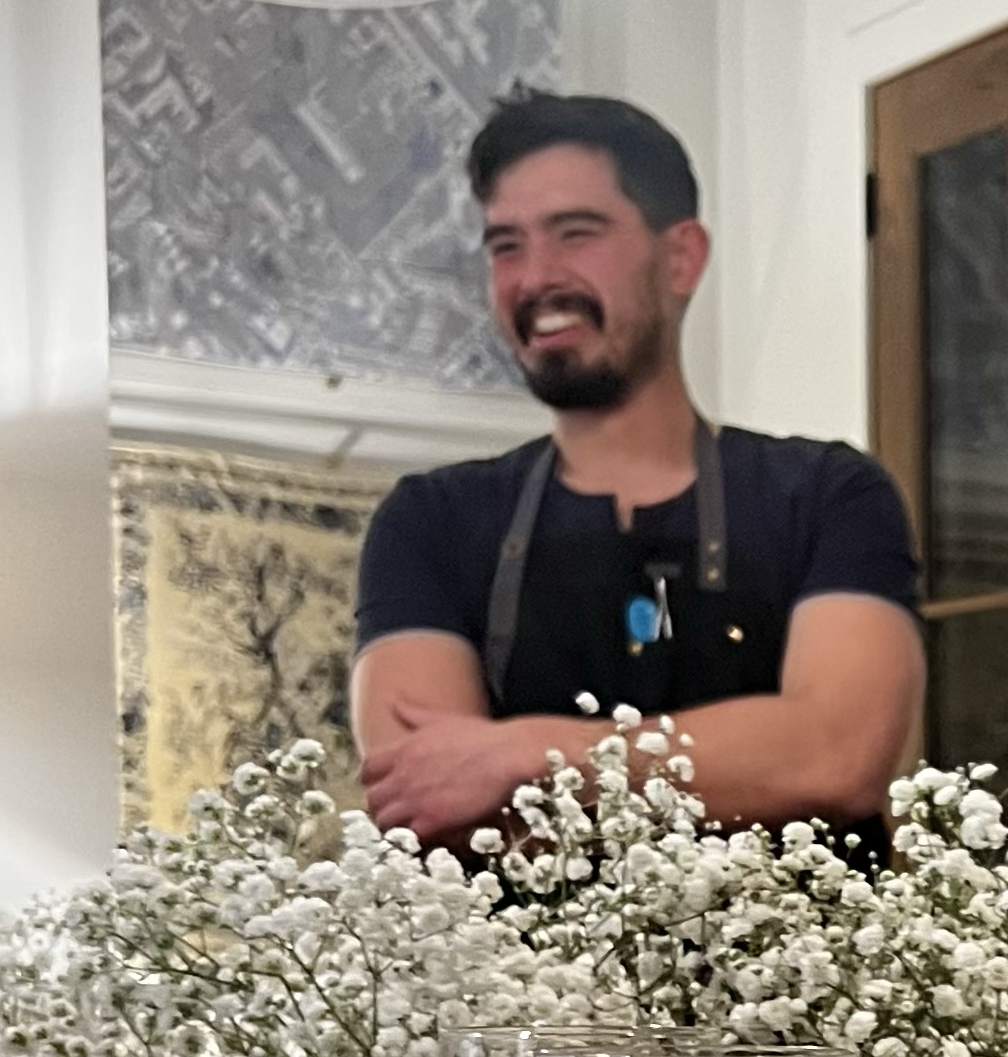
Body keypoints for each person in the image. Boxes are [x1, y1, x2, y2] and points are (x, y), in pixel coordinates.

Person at [351, 91, 924, 846]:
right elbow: (424, 794)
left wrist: (517, 754)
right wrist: (739, 765)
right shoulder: (429, 520)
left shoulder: (826, 496)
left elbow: (836, 759)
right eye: (506, 246)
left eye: (575, 234)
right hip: (511, 971)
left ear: (680, 256)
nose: (535, 278)